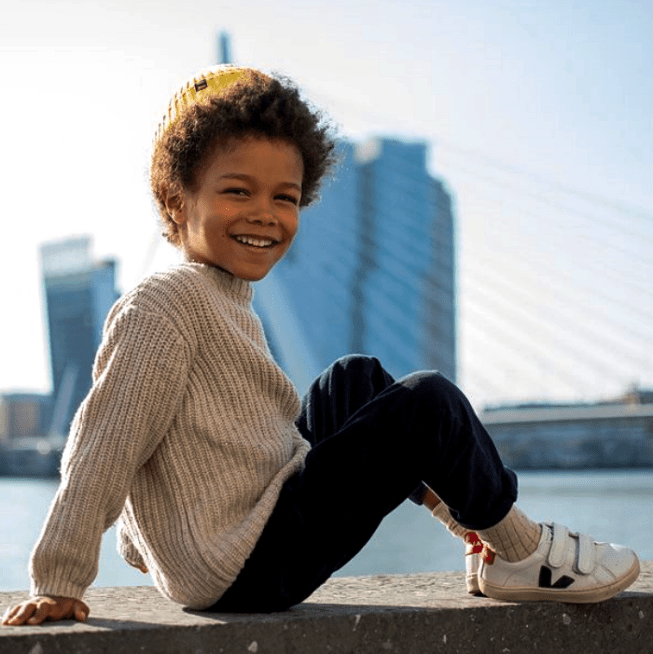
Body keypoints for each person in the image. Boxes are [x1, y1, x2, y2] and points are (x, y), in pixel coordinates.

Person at [2, 66, 640, 626]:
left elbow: (187, 446)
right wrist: (58, 580)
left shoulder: (222, 298)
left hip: (244, 539)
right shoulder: (165, 305)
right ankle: (525, 552)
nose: (265, 213)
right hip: (246, 568)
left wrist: (153, 551)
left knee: (353, 378)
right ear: (177, 198)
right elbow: (107, 443)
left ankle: (480, 540)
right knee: (428, 402)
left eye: (285, 197)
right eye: (237, 191)